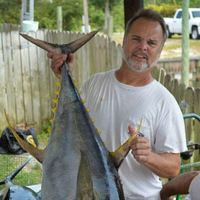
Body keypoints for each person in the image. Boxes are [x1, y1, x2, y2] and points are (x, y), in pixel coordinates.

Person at [48, 9, 187, 200]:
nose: (143, 47)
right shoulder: (94, 84)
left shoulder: (165, 103)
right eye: (136, 39)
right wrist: (64, 74)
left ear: (160, 50)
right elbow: (73, 130)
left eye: (151, 43)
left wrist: (149, 156)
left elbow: (174, 166)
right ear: (124, 41)